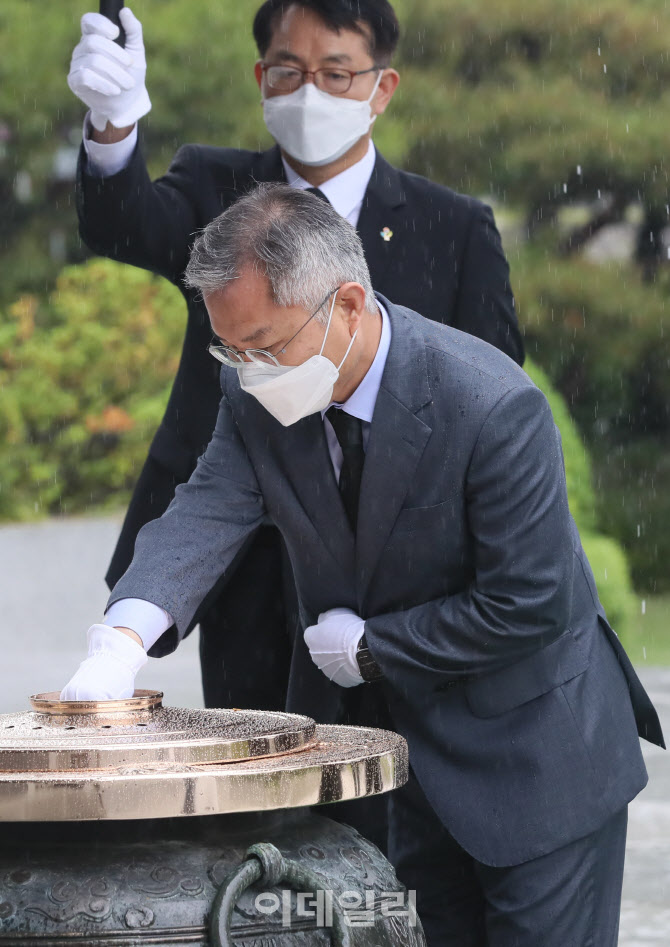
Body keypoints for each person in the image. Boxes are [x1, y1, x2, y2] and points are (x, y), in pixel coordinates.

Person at [61, 185, 663, 946]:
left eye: (266, 346)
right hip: (409, 772)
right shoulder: (253, 395)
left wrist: (373, 646)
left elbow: (529, 603)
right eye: (230, 348)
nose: (250, 369)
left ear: (348, 303)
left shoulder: (488, 404)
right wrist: (122, 637)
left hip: (537, 759)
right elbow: (205, 510)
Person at [67, 0, 524, 716]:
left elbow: (491, 393)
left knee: (381, 764)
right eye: (289, 70)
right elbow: (121, 223)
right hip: (244, 544)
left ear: (382, 86)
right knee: (252, 746)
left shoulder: (453, 226)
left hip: (387, 552)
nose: (311, 92)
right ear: (261, 75)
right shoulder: (217, 189)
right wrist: (113, 124)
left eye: (337, 72)